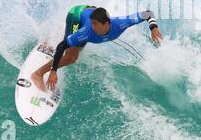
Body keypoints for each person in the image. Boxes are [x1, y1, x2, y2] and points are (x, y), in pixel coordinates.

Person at [31, 5, 162, 91]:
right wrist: (53, 71)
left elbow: (148, 14)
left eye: (96, 24)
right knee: (71, 57)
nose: (93, 27)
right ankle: (38, 73)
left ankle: (56, 35)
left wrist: (153, 27)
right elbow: (62, 45)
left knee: (77, 45)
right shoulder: (87, 31)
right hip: (76, 16)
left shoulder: (121, 23)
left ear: (106, 24)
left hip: (90, 11)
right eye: (92, 24)